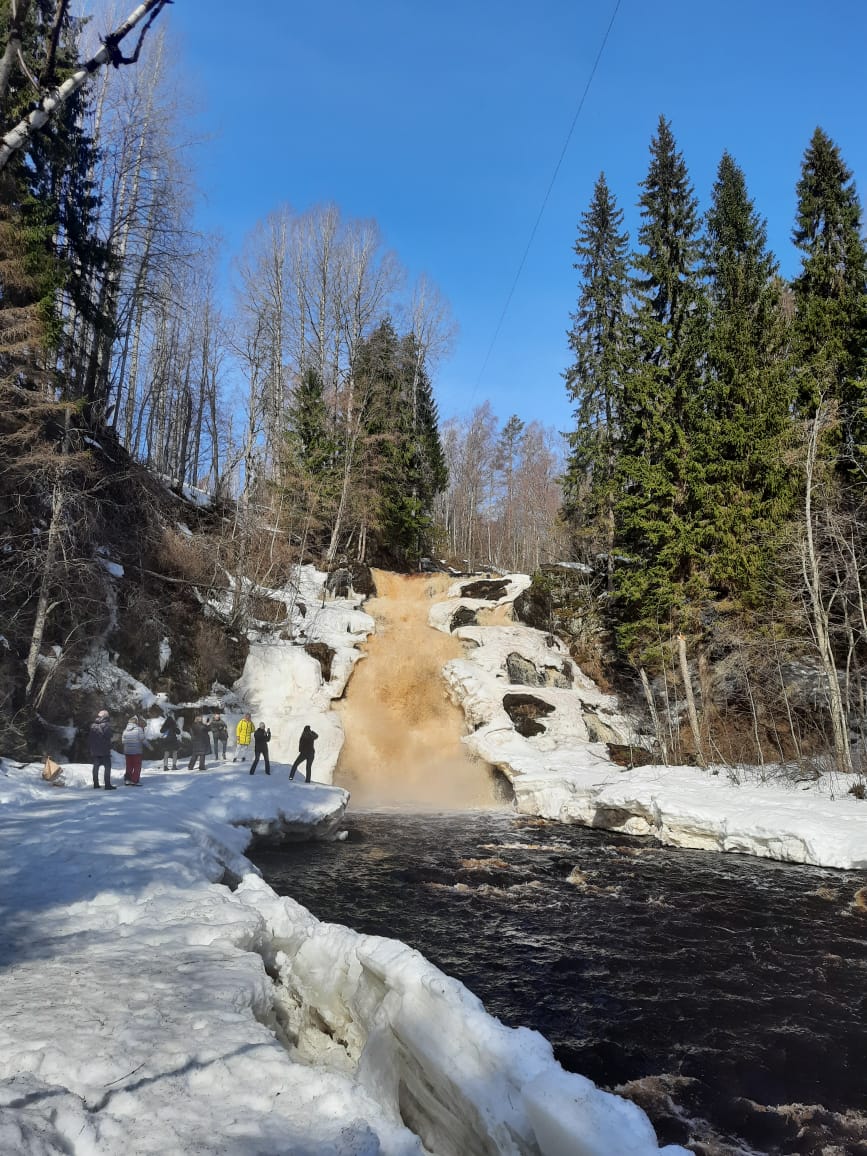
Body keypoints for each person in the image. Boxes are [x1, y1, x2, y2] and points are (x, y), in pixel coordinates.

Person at [89, 709, 115, 790]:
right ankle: (107, 785)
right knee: (107, 767)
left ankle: (96, 784)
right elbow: (109, 735)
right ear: (105, 717)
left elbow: (90, 738)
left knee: (96, 768)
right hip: (104, 751)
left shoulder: (93, 726)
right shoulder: (106, 725)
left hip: (95, 751)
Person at [122, 716, 146, 785]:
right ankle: (135, 780)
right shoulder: (139, 729)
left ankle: (127, 780)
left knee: (129, 766)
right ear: (136, 723)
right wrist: (150, 747)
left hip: (127, 752)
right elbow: (143, 739)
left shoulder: (125, 730)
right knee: (137, 766)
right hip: (136, 752)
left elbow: (123, 741)